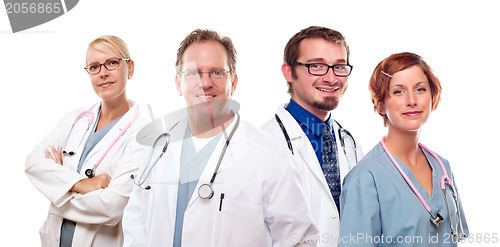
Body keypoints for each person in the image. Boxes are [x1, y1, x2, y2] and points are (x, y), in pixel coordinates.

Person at [122, 29, 318, 246]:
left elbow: (301, 240)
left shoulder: (272, 157)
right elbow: (135, 219)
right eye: (193, 73)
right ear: (178, 83)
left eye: (217, 73)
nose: (205, 83)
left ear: (233, 83)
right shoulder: (158, 146)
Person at [25, 35, 147, 247]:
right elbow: (33, 163)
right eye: (94, 67)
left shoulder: (143, 135)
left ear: (130, 68)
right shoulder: (75, 120)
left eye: (112, 62)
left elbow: (112, 207)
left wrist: (56, 192)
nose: (103, 73)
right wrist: (83, 184)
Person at [339, 52, 468, 246]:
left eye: (421, 89)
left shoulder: (442, 167)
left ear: (432, 96)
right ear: (381, 104)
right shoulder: (366, 178)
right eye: (398, 91)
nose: (412, 100)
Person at [261, 26, 363, 246]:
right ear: (289, 72)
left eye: (339, 67)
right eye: (316, 66)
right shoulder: (262, 145)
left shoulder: (350, 144)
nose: (331, 78)